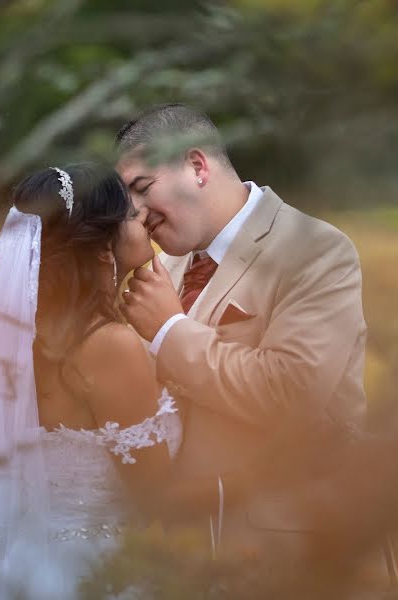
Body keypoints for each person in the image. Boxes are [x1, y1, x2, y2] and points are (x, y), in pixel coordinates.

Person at [116, 104, 368, 560]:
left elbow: (292, 392)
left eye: (142, 188)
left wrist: (170, 331)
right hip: (182, 554)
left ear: (196, 166)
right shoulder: (162, 269)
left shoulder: (315, 250)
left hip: (284, 550)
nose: (135, 212)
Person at [0, 164, 181, 599]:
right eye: (130, 213)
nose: (144, 215)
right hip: (99, 572)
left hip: (30, 566)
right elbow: (156, 495)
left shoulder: (19, 332)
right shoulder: (109, 345)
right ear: (100, 244)